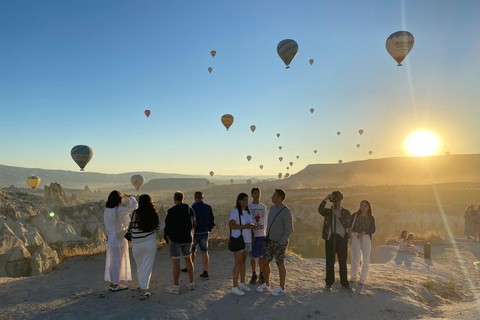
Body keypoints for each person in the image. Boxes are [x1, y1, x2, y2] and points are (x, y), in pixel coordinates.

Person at [256, 189, 294, 296]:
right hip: (270, 241)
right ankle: (266, 284)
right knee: (265, 261)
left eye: (274, 196)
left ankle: (282, 288)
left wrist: (281, 241)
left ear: (279, 198)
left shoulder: (286, 211)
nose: (271, 197)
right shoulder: (272, 208)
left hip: (279, 242)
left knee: (280, 263)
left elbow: (290, 229)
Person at [317, 191, 353, 292]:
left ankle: (344, 283)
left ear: (341, 200)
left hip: (341, 239)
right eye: (333, 201)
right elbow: (320, 210)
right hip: (330, 238)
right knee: (330, 261)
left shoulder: (345, 212)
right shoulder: (329, 211)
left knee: (342, 261)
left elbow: (347, 224)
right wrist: (325, 199)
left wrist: (338, 215)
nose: (335, 203)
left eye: (336, 200)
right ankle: (329, 283)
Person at [103, 191, 138, 292]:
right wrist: (130, 197)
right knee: (118, 261)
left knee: (112, 262)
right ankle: (116, 285)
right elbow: (135, 206)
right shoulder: (119, 210)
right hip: (119, 238)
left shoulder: (107, 210)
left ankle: (113, 283)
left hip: (111, 238)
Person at [164, 191, 196, 294]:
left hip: (175, 239)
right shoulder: (190, 210)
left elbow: (167, 228)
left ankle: (176, 286)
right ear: (183, 198)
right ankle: (191, 283)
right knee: (188, 260)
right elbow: (194, 224)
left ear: (174, 199)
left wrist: (168, 238)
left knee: (176, 262)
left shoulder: (172, 211)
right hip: (187, 238)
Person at [130, 194, 160, 300]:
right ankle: (143, 291)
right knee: (147, 266)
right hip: (150, 243)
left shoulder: (134, 214)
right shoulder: (154, 214)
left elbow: (131, 227)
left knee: (140, 265)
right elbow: (157, 228)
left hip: (136, 244)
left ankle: (141, 285)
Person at [229, 193, 255, 296]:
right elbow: (231, 225)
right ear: (239, 201)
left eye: (247, 199)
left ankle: (242, 283)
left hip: (247, 239)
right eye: (243, 200)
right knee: (238, 262)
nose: (246, 201)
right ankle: (234, 287)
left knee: (243, 262)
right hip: (239, 239)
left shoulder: (248, 212)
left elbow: (250, 223)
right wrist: (244, 227)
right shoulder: (235, 211)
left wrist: (250, 225)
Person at [187, 191, 215, 279]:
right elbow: (212, 220)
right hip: (204, 232)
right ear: (202, 198)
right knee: (204, 252)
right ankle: (205, 271)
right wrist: (208, 228)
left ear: (195, 198)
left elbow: (189, 222)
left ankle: (190, 267)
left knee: (191, 251)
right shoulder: (208, 207)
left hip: (195, 232)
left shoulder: (192, 208)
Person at [348, 200, 376, 285]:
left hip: (366, 237)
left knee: (366, 258)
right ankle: (353, 276)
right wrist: (349, 230)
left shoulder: (371, 217)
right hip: (356, 236)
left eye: (365, 206)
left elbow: (373, 229)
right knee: (355, 257)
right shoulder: (355, 215)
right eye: (362, 205)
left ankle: (363, 278)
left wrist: (364, 233)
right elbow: (349, 224)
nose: (363, 207)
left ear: (368, 207)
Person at [248, 187, 267, 285]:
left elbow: (265, 220)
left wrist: (266, 233)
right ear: (252, 195)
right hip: (253, 235)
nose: (256, 195)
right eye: (254, 193)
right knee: (253, 257)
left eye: (258, 193)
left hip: (262, 234)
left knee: (262, 256)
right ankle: (254, 274)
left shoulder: (263, 207)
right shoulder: (249, 206)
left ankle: (262, 274)